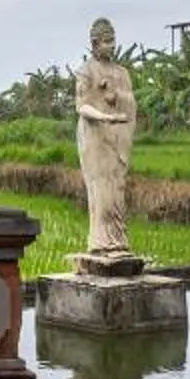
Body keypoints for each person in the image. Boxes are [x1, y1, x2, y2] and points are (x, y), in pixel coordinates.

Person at [75, 18, 138, 260]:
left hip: (118, 136)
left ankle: (118, 241)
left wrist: (115, 96)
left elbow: (130, 103)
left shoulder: (122, 72)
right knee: (101, 189)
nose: (111, 46)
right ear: (95, 43)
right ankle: (100, 242)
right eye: (107, 41)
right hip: (95, 138)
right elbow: (81, 106)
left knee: (117, 187)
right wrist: (103, 116)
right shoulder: (86, 71)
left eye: (113, 41)